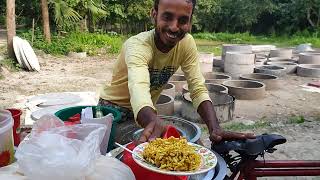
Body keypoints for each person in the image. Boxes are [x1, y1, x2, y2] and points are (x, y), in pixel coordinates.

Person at [98, 0, 254, 145]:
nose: (174, 27)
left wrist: (215, 129)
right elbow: (138, 88)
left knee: (190, 148)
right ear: (154, 14)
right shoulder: (138, 46)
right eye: (167, 17)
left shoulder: (186, 44)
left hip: (146, 113)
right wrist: (153, 120)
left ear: (190, 22)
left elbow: (197, 88)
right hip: (113, 111)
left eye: (183, 20)